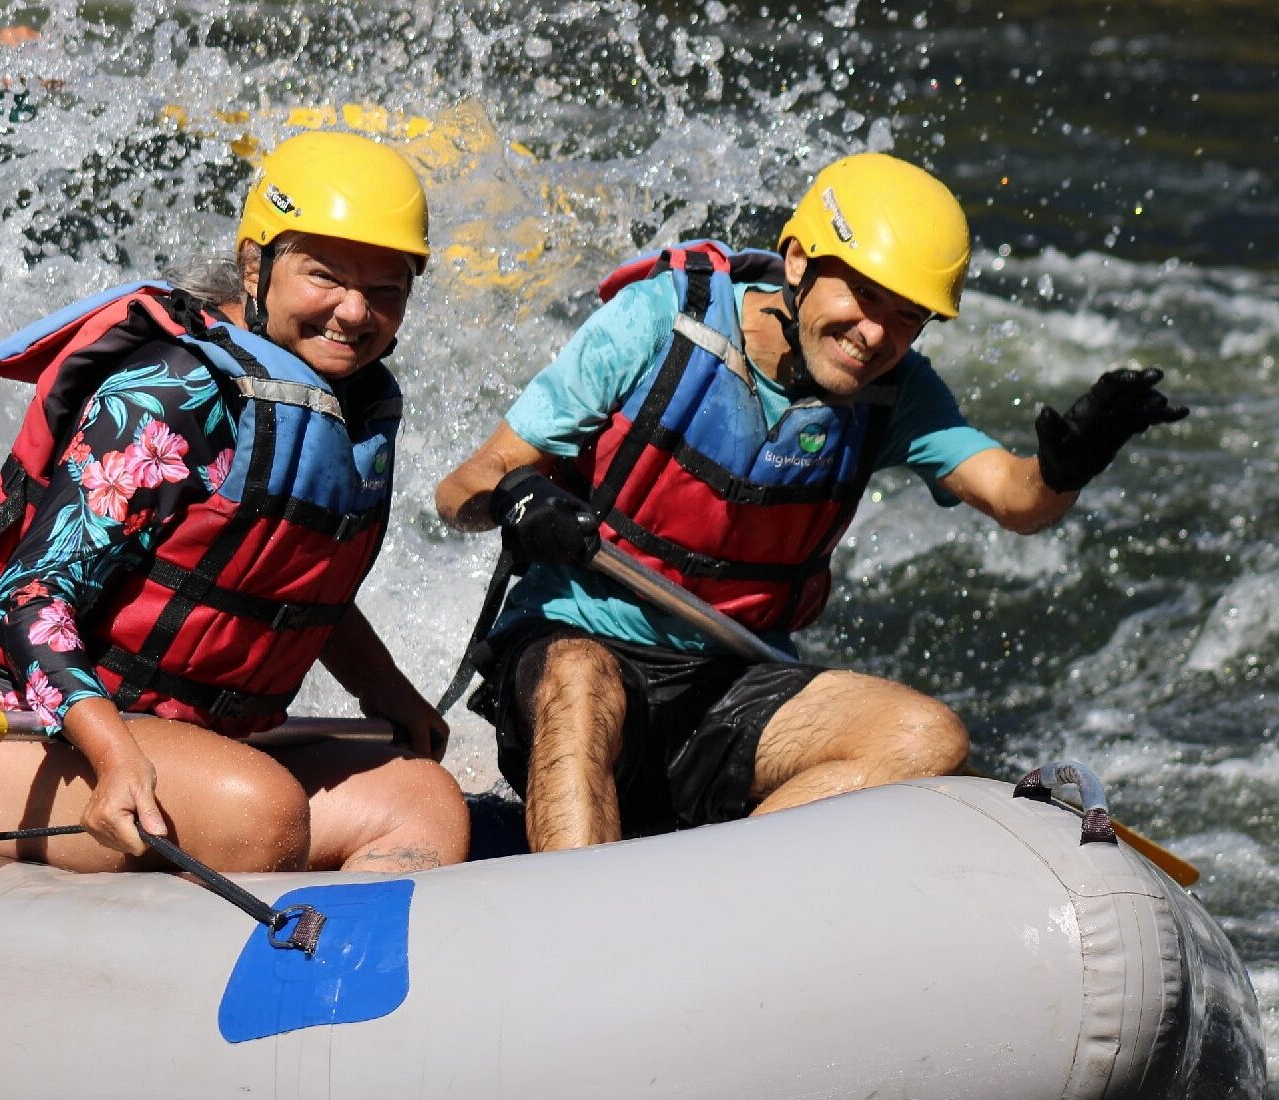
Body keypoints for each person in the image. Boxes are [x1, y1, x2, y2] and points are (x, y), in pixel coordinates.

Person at [435, 151, 1188, 853]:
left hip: (728, 681)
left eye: (906, 316)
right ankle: (578, 932)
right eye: (862, 296)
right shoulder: (658, 323)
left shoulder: (896, 394)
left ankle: (701, 905)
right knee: (578, 678)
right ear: (798, 262)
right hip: (578, 652)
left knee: (929, 737)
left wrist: (1067, 465)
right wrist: (521, 496)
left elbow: (1016, 498)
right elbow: (463, 488)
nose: (874, 335)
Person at [0, 129, 470, 873]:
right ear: (256, 264)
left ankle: (331, 976)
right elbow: (29, 597)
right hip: (7, 726)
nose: (354, 313)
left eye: (386, 290)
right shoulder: (171, 390)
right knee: (258, 811)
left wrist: (389, 691)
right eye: (326, 277)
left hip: (187, 745)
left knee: (426, 803)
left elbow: (271, 583)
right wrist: (113, 751)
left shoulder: (342, 403)